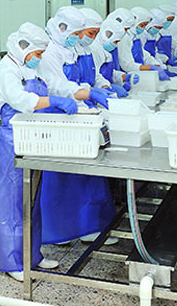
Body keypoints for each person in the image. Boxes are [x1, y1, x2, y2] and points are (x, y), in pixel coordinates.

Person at [0, 22, 80, 282]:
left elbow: (52, 84)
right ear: (23, 47)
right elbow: (21, 100)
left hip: (32, 137)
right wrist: (54, 102)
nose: (39, 58)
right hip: (11, 139)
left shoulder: (31, 66)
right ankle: (10, 261)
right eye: (37, 53)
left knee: (31, 200)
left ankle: (31, 255)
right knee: (11, 202)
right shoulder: (7, 69)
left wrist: (76, 95)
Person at [37, 12, 117, 247]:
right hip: (57, 114)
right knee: (60, 177)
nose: (79, 37)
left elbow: (78, 80)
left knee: (84, 173)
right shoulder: (50, 51)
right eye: (77, 33)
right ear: (63, 28)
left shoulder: (69, 48)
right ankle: (59, 231)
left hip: (73, 113)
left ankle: (87, 226)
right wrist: (88, 94)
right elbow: (57, 86)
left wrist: (92, 92)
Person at [94, 17, 137, 97]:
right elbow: (95, 76)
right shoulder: (95, 49)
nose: (116, 45)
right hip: (99, 92)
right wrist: (107, 87)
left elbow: (109, 73)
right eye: (116, 41)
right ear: (107, 35)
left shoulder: (105, 51)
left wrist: (123, 77)